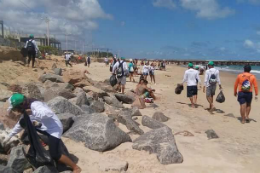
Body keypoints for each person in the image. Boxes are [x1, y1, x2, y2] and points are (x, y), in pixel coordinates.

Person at [4, 93, 81, 173]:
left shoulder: (35, 105)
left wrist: (32, 112)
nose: (16, 111)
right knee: (24, 122)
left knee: (55, 154)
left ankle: (76, 167)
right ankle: (44, 143)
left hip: (54, 129)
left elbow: (48, 113)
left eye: (16, 109)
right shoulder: (27, 108)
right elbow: (19, 124)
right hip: (43, 127)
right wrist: (9, 136)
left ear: (21, 105)